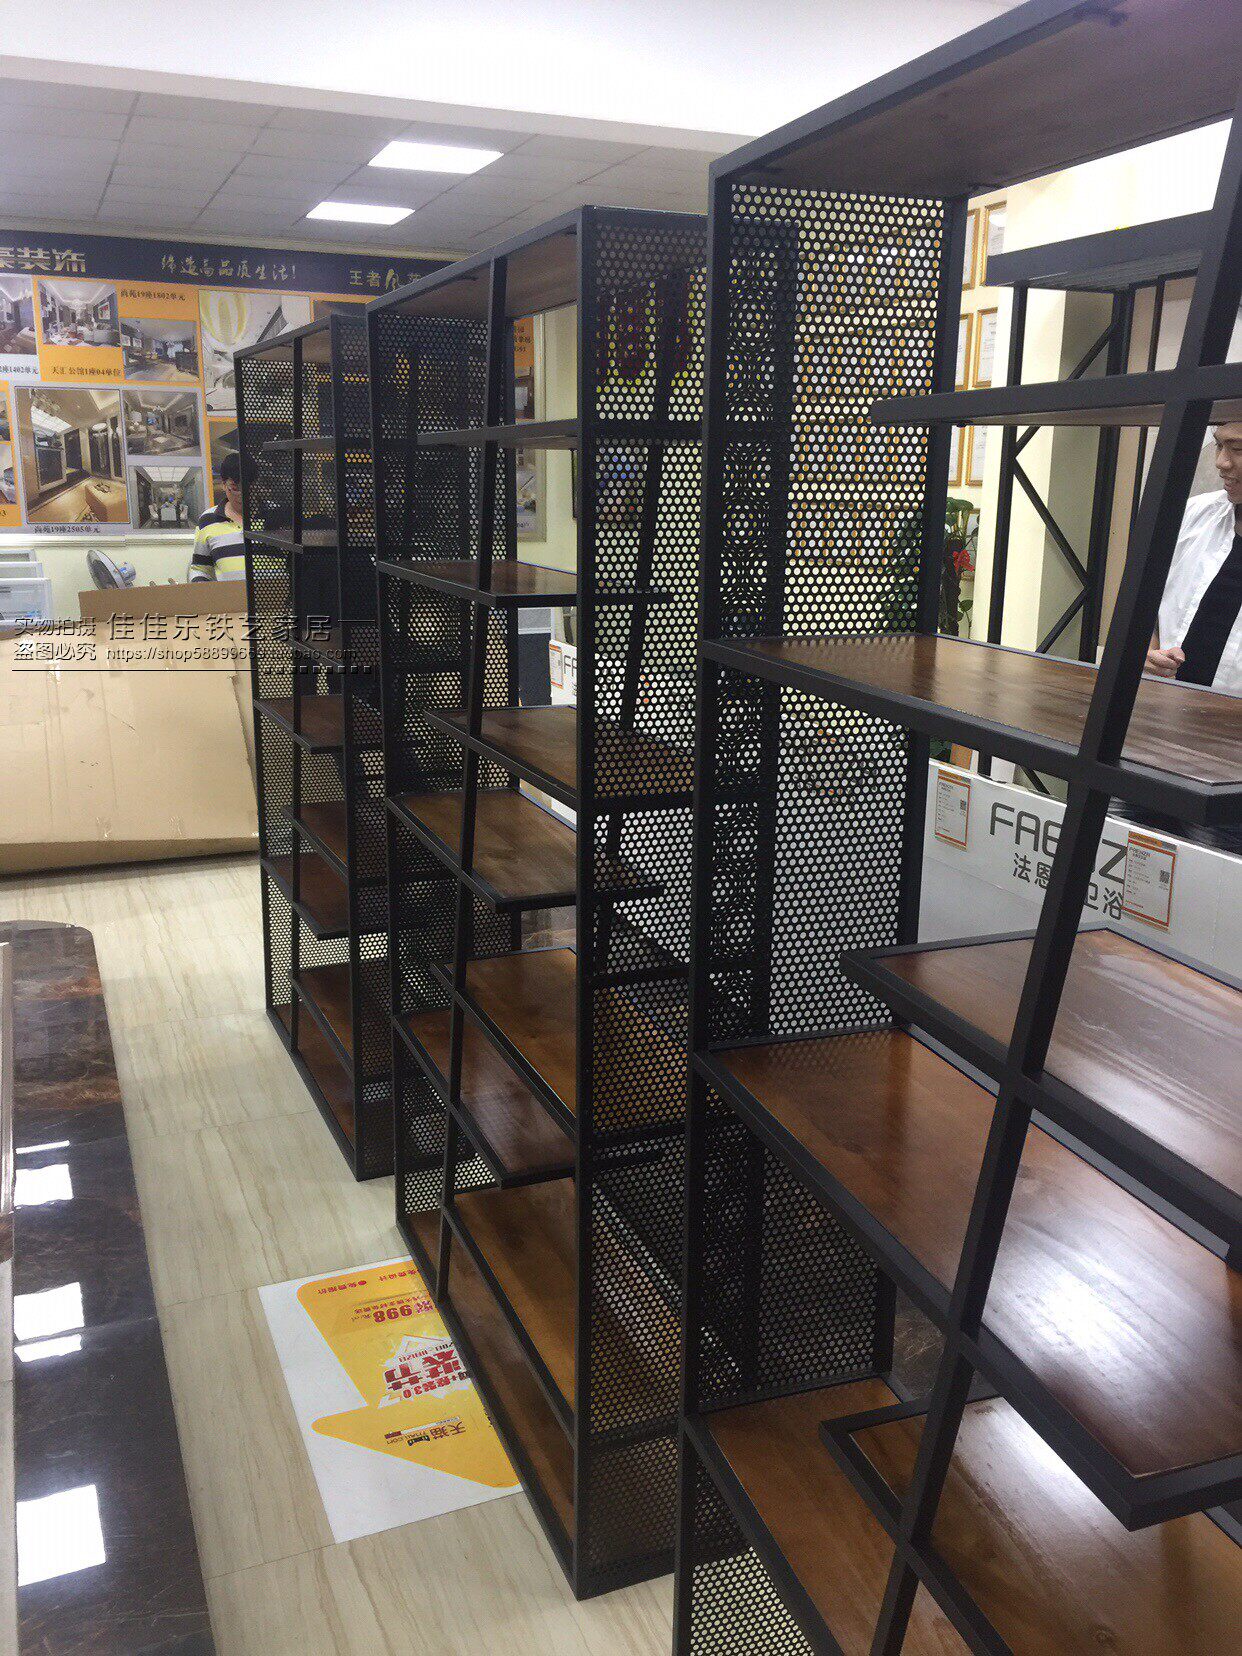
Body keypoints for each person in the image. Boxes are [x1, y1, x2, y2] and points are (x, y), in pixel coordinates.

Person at [1146, 422, 1242, 693]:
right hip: (1166, 705)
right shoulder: (1193, 514)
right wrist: (1147, 654)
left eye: (1237, 448)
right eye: (1219, 445)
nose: (1221, 462)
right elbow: (1145, 603)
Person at [188, 451, 256, 582]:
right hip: (228, 595)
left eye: (247, 486)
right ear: (224, 485)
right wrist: (201, 587)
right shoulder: (208, 520)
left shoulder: (275, 515)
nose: (241, 494)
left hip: (275, 594)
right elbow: (200, 569)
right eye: (235, 488)